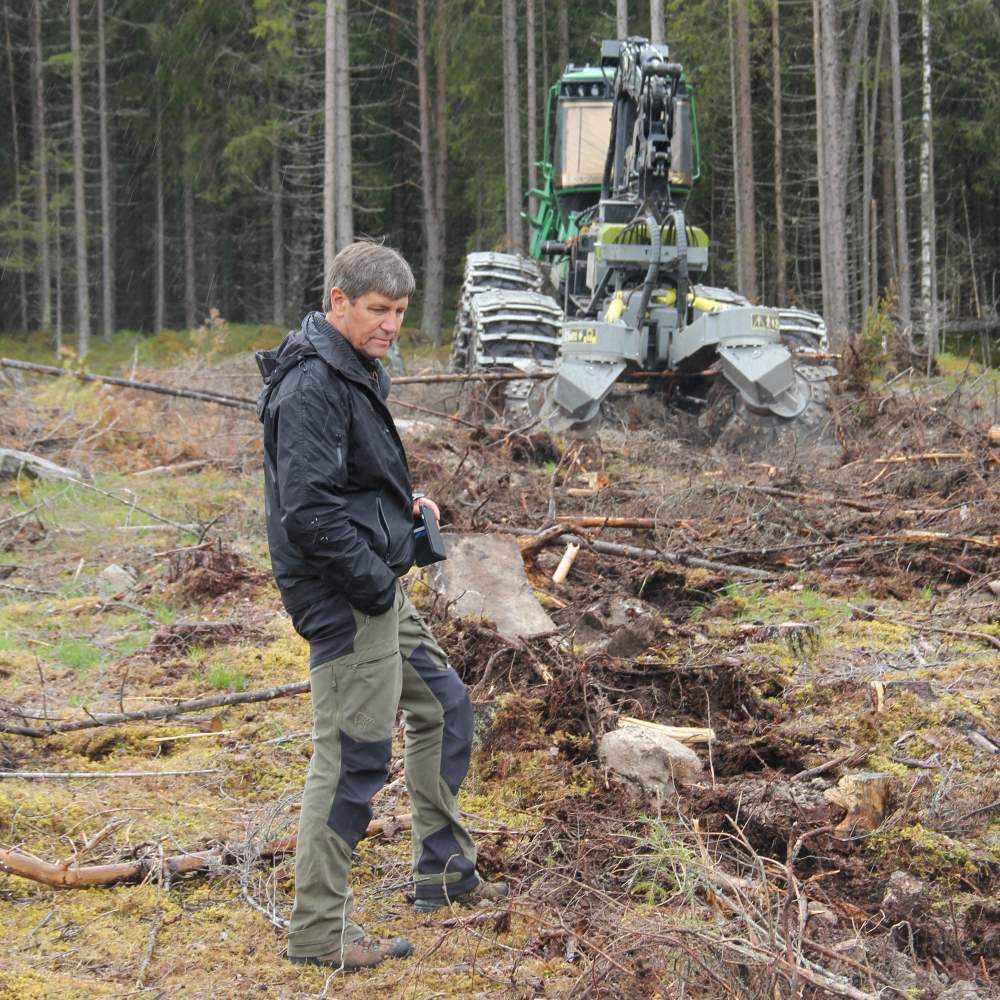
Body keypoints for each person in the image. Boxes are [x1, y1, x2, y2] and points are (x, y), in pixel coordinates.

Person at [257, 241, 507, 972]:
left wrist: (405, 513)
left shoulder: (353, 370)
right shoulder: (311, 386)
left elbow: (348, 488)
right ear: (338, 301)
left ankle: (442, 873)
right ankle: (317, 932)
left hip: (371, 584)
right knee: (352, 759)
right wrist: (374, 578)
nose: (390, 325)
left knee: (445, 707)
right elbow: (307, 514)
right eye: (376, 310)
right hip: (346, 596)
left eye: (398, 312)